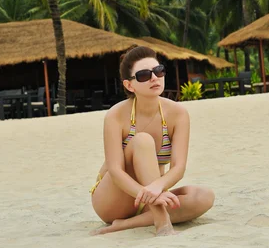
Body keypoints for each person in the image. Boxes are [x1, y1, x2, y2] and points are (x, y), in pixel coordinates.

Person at [90, 45, 215, 236]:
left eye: (158, 71)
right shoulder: (116, 115)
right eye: (143, 75)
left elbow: (178, 168)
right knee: (142, 141)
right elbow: (115, 171)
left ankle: (124, 225)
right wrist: (148, 193)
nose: (154, 78)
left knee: (204, 197)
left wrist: (156, 188)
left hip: (149, 195)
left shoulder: (178, 114)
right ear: (129, 85)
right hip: (114, 198)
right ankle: (163, 223)